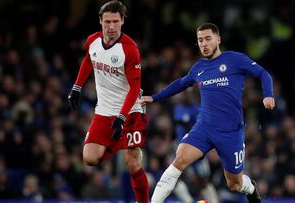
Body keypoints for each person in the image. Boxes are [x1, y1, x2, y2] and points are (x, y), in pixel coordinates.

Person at [140, 23, 275, 203]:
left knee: (234, 184)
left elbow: (263, 74)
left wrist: (268, 95)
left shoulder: (235, 59)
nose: (203, 44)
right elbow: (181, 83)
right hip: (204, 128)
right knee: (178, 160)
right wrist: (154, 98)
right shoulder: (199, 67)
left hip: (230, 132)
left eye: (208, 39)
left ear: (218, 40)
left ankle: (250, 187)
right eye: (200, 40)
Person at [67, 1, 149, 202]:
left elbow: (134, 88)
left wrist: (122, 116)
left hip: (130, 110)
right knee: (89, 159)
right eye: (107, 22)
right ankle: (119, 143)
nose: (111, 27)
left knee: (132, 164)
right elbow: (89, 59)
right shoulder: (92, 41)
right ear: (100, 21)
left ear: (122, 21)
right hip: (104, 110)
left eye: (115, 21)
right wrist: (77, 87)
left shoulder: (130, 49)